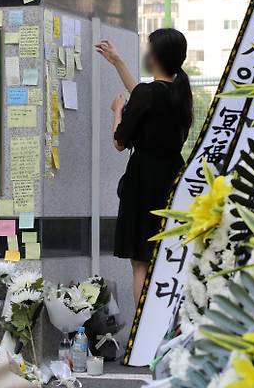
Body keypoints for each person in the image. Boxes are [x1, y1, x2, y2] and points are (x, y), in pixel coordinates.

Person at [95, 29, 193, 307]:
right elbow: (140, 93)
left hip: (143, 182)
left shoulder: (148, 94)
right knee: (164, 258)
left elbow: (119, 142)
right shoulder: (180, 93)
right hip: (173, 179)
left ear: (155, 57)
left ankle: (141, 339)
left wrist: (117, 111)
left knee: (141, 265)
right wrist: (117, 61)